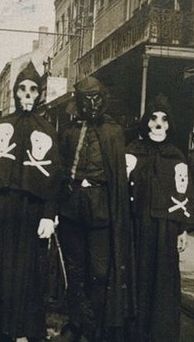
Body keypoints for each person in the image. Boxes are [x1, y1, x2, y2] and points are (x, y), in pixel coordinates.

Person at [0, 61, 61, 342]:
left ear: (39, 94)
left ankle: (26, 327)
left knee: (30, 273)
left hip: (31, 212)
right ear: (15, 92)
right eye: (22, 89)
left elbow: (55, 177)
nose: (27, 95)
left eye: (33, 89)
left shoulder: (47, 131)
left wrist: (49, 214)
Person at [55, 77, 135, 342]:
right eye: (86, 99)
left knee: (100, 273)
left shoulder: (113, 132)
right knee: (74, 270)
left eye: (96, 98)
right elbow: (60, 169)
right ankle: (75, 324)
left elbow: (118, 174)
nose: (91, 104)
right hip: (72, 209)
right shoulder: (69, 132)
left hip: (102, 209)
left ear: (103, 100)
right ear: (78, 101)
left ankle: (96, 327)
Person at [126, 94, 194, 342]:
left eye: (164, 119)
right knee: (137, 279)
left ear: (169, 125)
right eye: (154, 118)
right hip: (137, 227)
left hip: (165, 231)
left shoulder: (176, 156)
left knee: (163, 282)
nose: (158, 124)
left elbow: (184, 193)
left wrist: (183, 229)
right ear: (146, 122)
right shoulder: (133, 152)